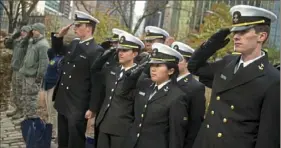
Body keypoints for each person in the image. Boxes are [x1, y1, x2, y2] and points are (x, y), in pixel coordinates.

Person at [188, 5, 280, 148]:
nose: (236, 36)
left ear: (261, 36)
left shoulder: (273, 79)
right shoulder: (227, 62)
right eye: (235, 31)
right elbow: (194, 67)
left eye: (243, 32)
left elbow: (267, 136)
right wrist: (212, 44)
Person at [51, 11, 104, 148]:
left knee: (75, 140)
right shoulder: (74, 43)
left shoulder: (96, 50)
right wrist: (59, 36)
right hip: (63, 99)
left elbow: (96, 82)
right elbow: (58, 50)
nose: (74, 28)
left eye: (78, 25)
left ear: (88, 28)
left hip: (78, 103)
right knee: (63, 138)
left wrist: (92, 108)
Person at [122, 43, 187, 148]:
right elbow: (124, 92)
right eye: (152, 65)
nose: (153, 69)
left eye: (158, 65)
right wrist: (138, 70)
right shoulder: (146, 85)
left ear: (171, 70)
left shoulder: (177, 96)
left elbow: (175, 135)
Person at [95, 32, 145, 148]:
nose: (120, 53)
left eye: (125, 50)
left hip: (122, 128)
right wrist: (111, 51)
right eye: (119, 50)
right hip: (104, 123)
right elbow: (95, 70)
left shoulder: (139, 76)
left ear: (135, 54)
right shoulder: (113, 70)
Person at [171, 41, 206, 148]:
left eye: (178, 60)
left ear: (187, 63)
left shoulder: (195, 87)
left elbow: (195, 124)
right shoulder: (169, 81)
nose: (173, 63)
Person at [17, 23, 49, 125]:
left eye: (34, 30)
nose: (33, 31)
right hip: (26, 73)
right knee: (25, 96)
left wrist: (39, 78)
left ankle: (31, 119)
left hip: (33, 76)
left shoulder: (43, 45)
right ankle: (26, 116)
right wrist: (27, 37)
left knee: (31, 98)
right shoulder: (32, 41)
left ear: (40, 31)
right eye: (32, 30)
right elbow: (22, 44)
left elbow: (43, 64)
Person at [4, 25, 32, 119]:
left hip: (22, 70)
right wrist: (14, 35)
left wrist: (28, 35)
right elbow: (7, 44)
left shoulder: (28, 43)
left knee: (20, 90)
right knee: (15, 90)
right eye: (22, 31)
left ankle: (21, 110)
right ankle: (17, 108)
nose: (22, 32)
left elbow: (27, 40)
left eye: (25, 31)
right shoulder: (17, 42)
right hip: (15, 69)